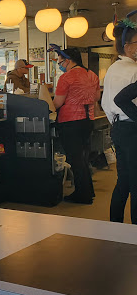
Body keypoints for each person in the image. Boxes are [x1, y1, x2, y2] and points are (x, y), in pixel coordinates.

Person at [51, 45, 100, 204]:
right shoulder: (92, 75)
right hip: (88, 120)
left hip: (70, 121)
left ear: (68, 60)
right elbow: (96, 97)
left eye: (60, 62)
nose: (60, 65)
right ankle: (88, 191)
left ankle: (82, 195)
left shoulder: (66, 78)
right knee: (83, 157)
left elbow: (57, 103)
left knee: (75, 158)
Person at [101, 12, 137, 224]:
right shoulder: (134, 70)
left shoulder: (113, 68)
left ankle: (115, 225)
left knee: (123, 180)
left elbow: (106, 103)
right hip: (133, 129)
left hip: (118, 128)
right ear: (128, 46)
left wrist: (116, 122)